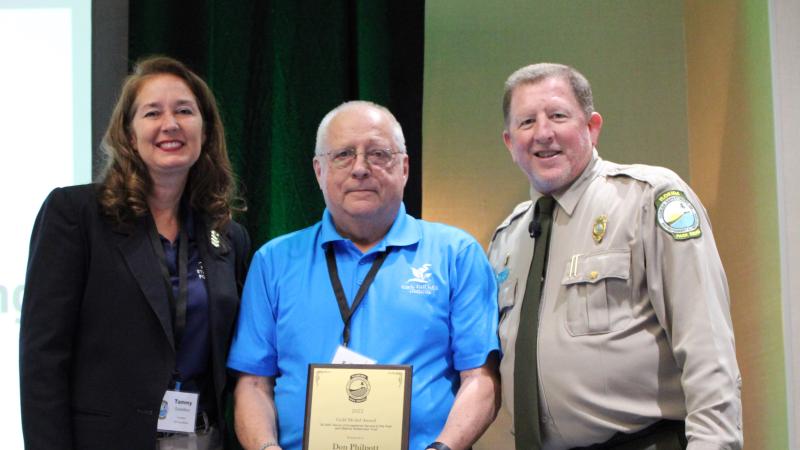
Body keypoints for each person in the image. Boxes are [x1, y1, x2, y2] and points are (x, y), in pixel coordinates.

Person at [489, 63, 742, 450]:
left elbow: (707, 346)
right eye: (526, 122)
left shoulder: (648, 199)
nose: (543, 133)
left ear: (592, 127)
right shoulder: (507, 239)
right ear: (509, 142)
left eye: (558, 116)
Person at [227, 100, 500, 450]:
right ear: (318, 170)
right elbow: (252, 385)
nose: (360, 168)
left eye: (378, 154)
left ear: (404, 167)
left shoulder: (456, 254)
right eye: (342, 154)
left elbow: (481, 379)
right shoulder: (273, 261)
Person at [19, 56, 251, 450]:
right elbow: (43, 360)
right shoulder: (75, 215)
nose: (170, 124)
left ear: (206, 130)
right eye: (152, 113)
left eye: (184, 111)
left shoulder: (228, 238)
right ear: (127, 134)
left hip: (200, 439)